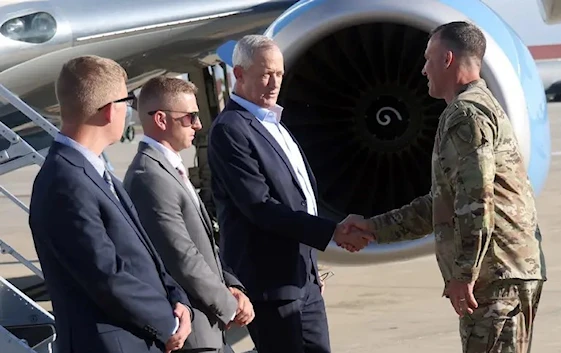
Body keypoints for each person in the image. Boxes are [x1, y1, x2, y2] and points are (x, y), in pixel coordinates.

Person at [345, 21, 547, 353]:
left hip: (494, 278)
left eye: (428, 59)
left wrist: (464, 274)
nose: (424, 69)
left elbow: (475, 203)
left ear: (448, 59)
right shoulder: (478, 107)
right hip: (504, 272)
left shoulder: (466, 115)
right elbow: (446, 202)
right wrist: (373, 228)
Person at [207, 34, 373, 353]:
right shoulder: (231, 130)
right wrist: (333, 232)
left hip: (303, 281)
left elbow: (299, 199)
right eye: (265, 74)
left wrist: (311, 267)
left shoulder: (274, 124)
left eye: (279, 74)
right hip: (271, 287)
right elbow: (260, 207)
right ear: (238, 75)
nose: (274, 83)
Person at [28, 55, 193, 353]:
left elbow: (143, 255)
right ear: (107, 112)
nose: (129, 110)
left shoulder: (94, 172)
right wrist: (168, 323)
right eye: (127, 101)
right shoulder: (65, 182)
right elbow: (105, 276)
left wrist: (176, 297)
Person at [123, 76, 254, 353]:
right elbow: (182, 257)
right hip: (193, 336)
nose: (198, 124)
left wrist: (232, 285)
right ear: (161, 120)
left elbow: (202, 244)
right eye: (189, 117)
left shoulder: (168, 169)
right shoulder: (150, 176)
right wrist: (230, 307)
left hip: (208, 330)